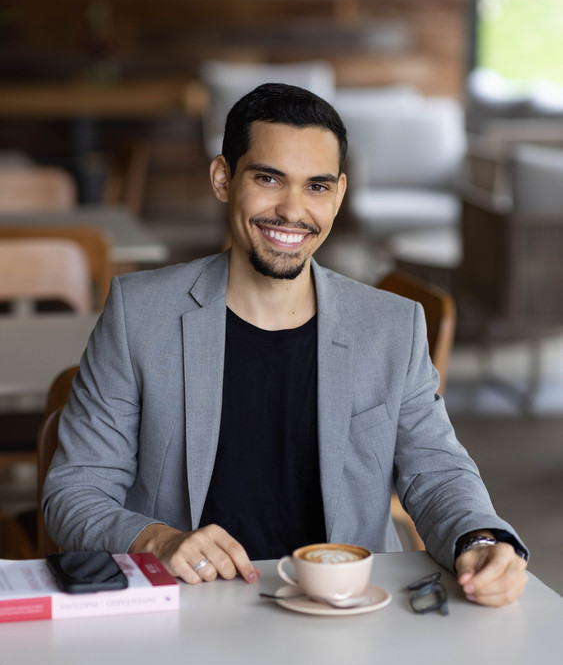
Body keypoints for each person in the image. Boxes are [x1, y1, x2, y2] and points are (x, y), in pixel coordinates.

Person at [43, 83, 528, 607]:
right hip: (194, 607)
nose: (292, 211)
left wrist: (482, 538)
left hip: (345, 608)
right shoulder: (139, 314)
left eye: (316, 186)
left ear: (339, 194)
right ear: (223, 178)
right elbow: (75, 492)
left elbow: (437, 474)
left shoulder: (393, 326)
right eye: (269, 178)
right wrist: (159, 540)